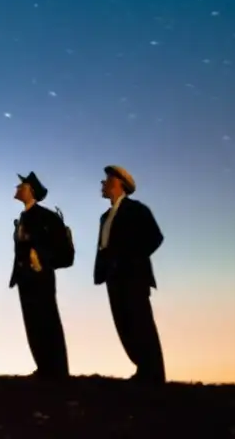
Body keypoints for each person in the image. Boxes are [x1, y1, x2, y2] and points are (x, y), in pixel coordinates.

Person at [94, 165, 166, 384]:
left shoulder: (137, 209)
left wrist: (130, 259)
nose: (102, 185)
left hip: (133, 277)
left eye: (106, 181)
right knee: (124, 325)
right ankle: (143, 370)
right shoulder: (105, 216)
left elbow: (155, 237)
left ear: (118, 183)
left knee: (141, 324)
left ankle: (154, 375)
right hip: (113, 278)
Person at [10, 171, 70, 379]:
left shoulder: (46, 217)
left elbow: (61, 249)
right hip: (24, 277)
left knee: (48, 321)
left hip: (40, 276)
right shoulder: (23, 218)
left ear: (31, 191)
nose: (17, 188)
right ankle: (44, 368)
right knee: (32, 324)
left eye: (22, 186)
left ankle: (58, 370)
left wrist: (41, 259)